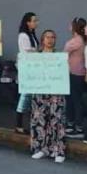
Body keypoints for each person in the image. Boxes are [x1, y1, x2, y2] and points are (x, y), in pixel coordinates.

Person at [29, 30, 67, 164]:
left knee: (56, 120)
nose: (50, 40)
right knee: (39, 119)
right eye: (47, 37)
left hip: (56, 91)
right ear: (42, 39)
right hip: (40, 91)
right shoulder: (35, 55)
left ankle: (58, 150)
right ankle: (40, 148)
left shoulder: (59, 55)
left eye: (53, 37)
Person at [15, 12, 39, 134]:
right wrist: (37, 51)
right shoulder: (23, 35)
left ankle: (31, 123)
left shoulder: (32, 35)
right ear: (27, 22)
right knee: (24, 96)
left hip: (32, 68)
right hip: (26, 69)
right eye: (34, 21)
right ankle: (18, 124)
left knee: (30, 97)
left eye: (36, 21)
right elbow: (27, 52)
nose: (36, 23)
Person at [63, 17, 87, 138]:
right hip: (79, 72)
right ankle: (72, 124)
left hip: (74, 73)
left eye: (71, 24)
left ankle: (77, 127)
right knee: (73, 99)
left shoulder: (76, 41)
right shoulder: (82, 40)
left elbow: (64, 52)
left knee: (74, 100)